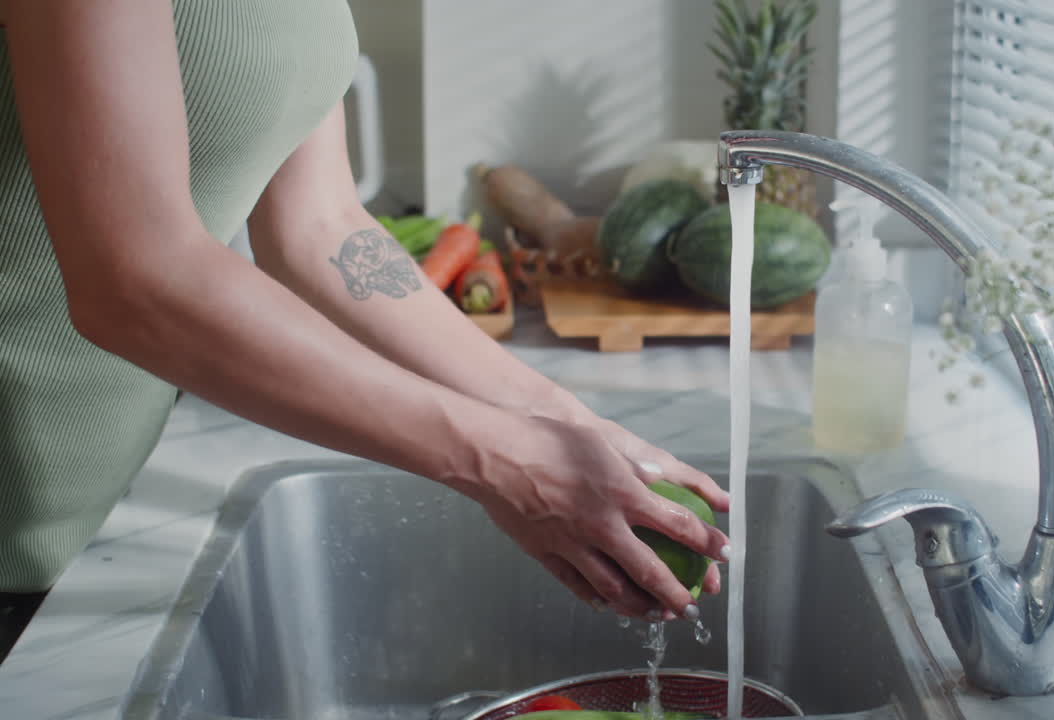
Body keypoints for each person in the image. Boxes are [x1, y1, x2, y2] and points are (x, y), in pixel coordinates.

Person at [0, 1, 729, 662]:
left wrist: (561, 421)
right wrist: (505, 459)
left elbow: (320, 224)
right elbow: (134, 281)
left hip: (102, 510)